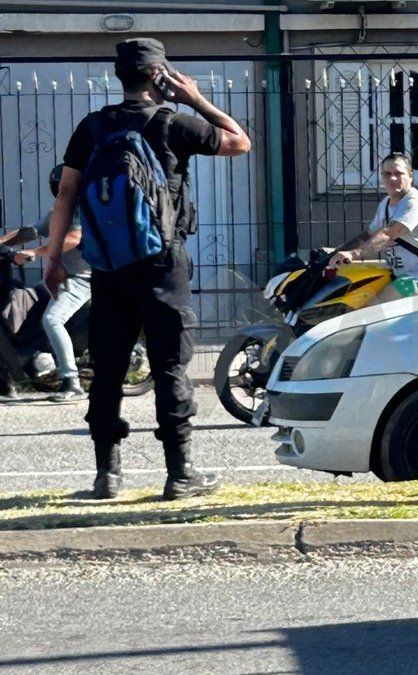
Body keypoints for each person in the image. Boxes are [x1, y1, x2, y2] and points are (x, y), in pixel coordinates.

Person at [43, 37, 252, 500]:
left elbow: (66, 195)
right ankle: (180, 474)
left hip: (108, 264)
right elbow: (241, 142)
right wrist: (195, 98)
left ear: (120, 76)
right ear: (160, 75)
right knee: (170, 364)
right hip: (163, 263)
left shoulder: (92, 127)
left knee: (109, 365)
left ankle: (107, 476)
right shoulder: (174, 123)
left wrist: (55, 257)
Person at [12, 164, 90, 402]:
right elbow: (31, 231)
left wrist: (34, 254)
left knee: (52, 319)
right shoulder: (60, 211)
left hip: (84, 279)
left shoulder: (84, 212)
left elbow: (73, 239)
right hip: (63, 279)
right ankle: (38, 359)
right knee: (30, 303)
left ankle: (72, 382)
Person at [328, 152, 418, 301]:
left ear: (410, 176)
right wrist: (336, 253)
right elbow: (367, 235)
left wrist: (353, 254)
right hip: (400, 274)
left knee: (373, 311)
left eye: (398, 173)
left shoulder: (414, 202)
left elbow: (389, 234)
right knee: (357, 298)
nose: (392, 178)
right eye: (387, 174)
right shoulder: (385, 204)